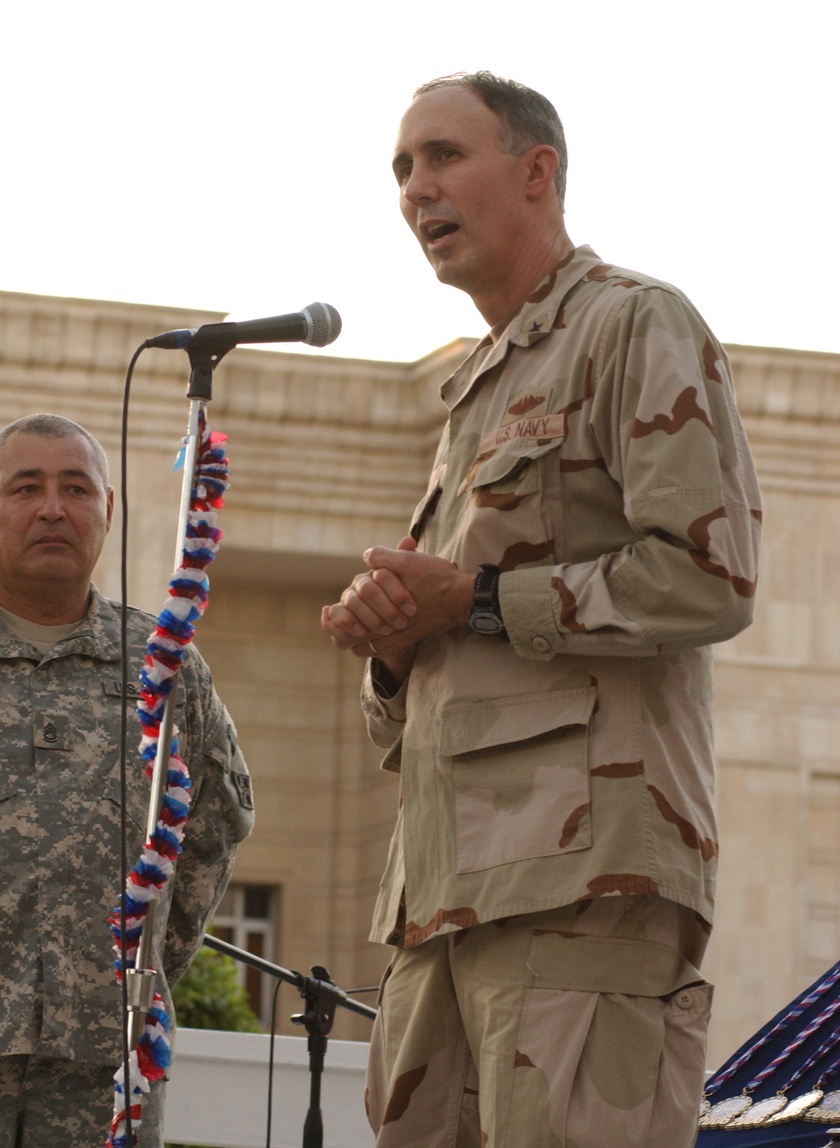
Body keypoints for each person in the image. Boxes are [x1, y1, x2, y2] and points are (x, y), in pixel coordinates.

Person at [321, 72, 761, 1148]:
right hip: (439, 901)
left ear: (536, 171)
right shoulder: (477, 389)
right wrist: (393, 648)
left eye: (443, 156)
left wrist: (472, 598)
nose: (416, 188)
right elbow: (422, 696)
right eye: (401, 168)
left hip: (582, 882)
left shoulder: (631, 323)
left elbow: (710, 575)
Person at [0, 414, 254, 1147]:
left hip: (102, 1058)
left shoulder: (164, 667)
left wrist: (141, 969)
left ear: (108, 509)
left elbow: (210, 831)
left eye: (76, 489)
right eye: (26, 488)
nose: (53, 509)